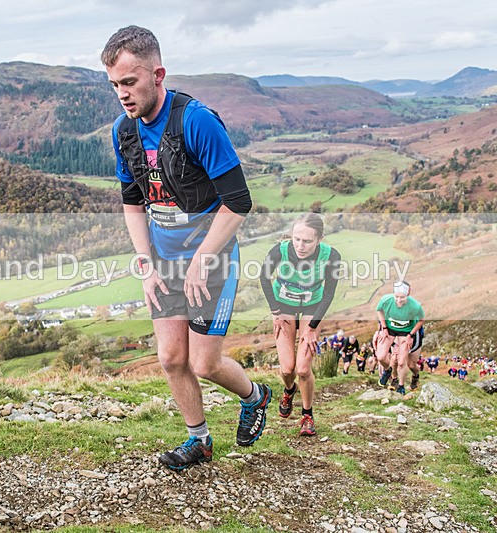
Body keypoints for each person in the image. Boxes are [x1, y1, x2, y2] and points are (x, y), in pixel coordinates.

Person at [103, 26, 270, 470]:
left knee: (205, 363)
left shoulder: (196, 121)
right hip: (164, 261)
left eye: (130, 82)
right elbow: (132, 202)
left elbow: (239, 202)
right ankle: (200, 440)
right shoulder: (124, 132)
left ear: (158, 74)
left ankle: (255, 396)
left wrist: (204, 258)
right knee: (171, 358)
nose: (122, 94)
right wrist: (146, 264)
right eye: (115, 85)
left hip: (210, 258)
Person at [259, 212, 341, 436]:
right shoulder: (280, 250)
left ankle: (307, 415)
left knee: (303, 369)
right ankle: (289, 390)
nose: (300, 246)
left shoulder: (331, 256)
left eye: (307, 241)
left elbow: (328, 294)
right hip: (284, 307)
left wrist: (313, 327)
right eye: (296, 239)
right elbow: (264, 277)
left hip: (311, 308)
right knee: (287, 368)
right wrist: (275, 312)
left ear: (319, 240)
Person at [375, 280, 425, 395]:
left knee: (407, 363)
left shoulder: (415, 306)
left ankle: (404, 383)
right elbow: (379, 311)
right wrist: (384, 328)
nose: (398, 300)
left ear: (407, 294)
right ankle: (389, 373)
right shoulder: (386, 300)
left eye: (402, 297)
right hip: (391, 329)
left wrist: (410, 336)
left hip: (408, 332)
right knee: (382, 356)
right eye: (396, 296)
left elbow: (422, 320)